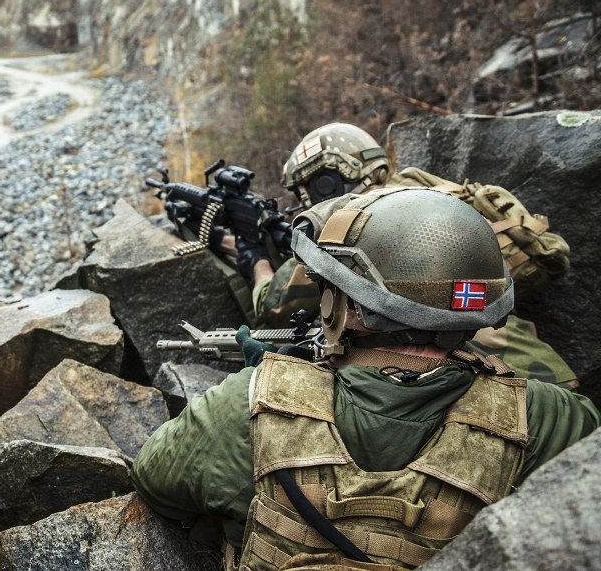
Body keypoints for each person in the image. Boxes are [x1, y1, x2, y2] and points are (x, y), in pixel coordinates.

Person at [133, 188, 598, 570]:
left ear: (343, 305)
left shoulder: (243, 403)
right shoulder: (550, 416)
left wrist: (268, 380)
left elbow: (154, 485)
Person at [250, 122, 576, 388]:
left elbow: (275, 305)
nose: (305, 202)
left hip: (493, 380)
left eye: (307, 191)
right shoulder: (424, 190)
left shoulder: (354, 223)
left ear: (327, 183)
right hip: (541, 369)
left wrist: (256, 261)